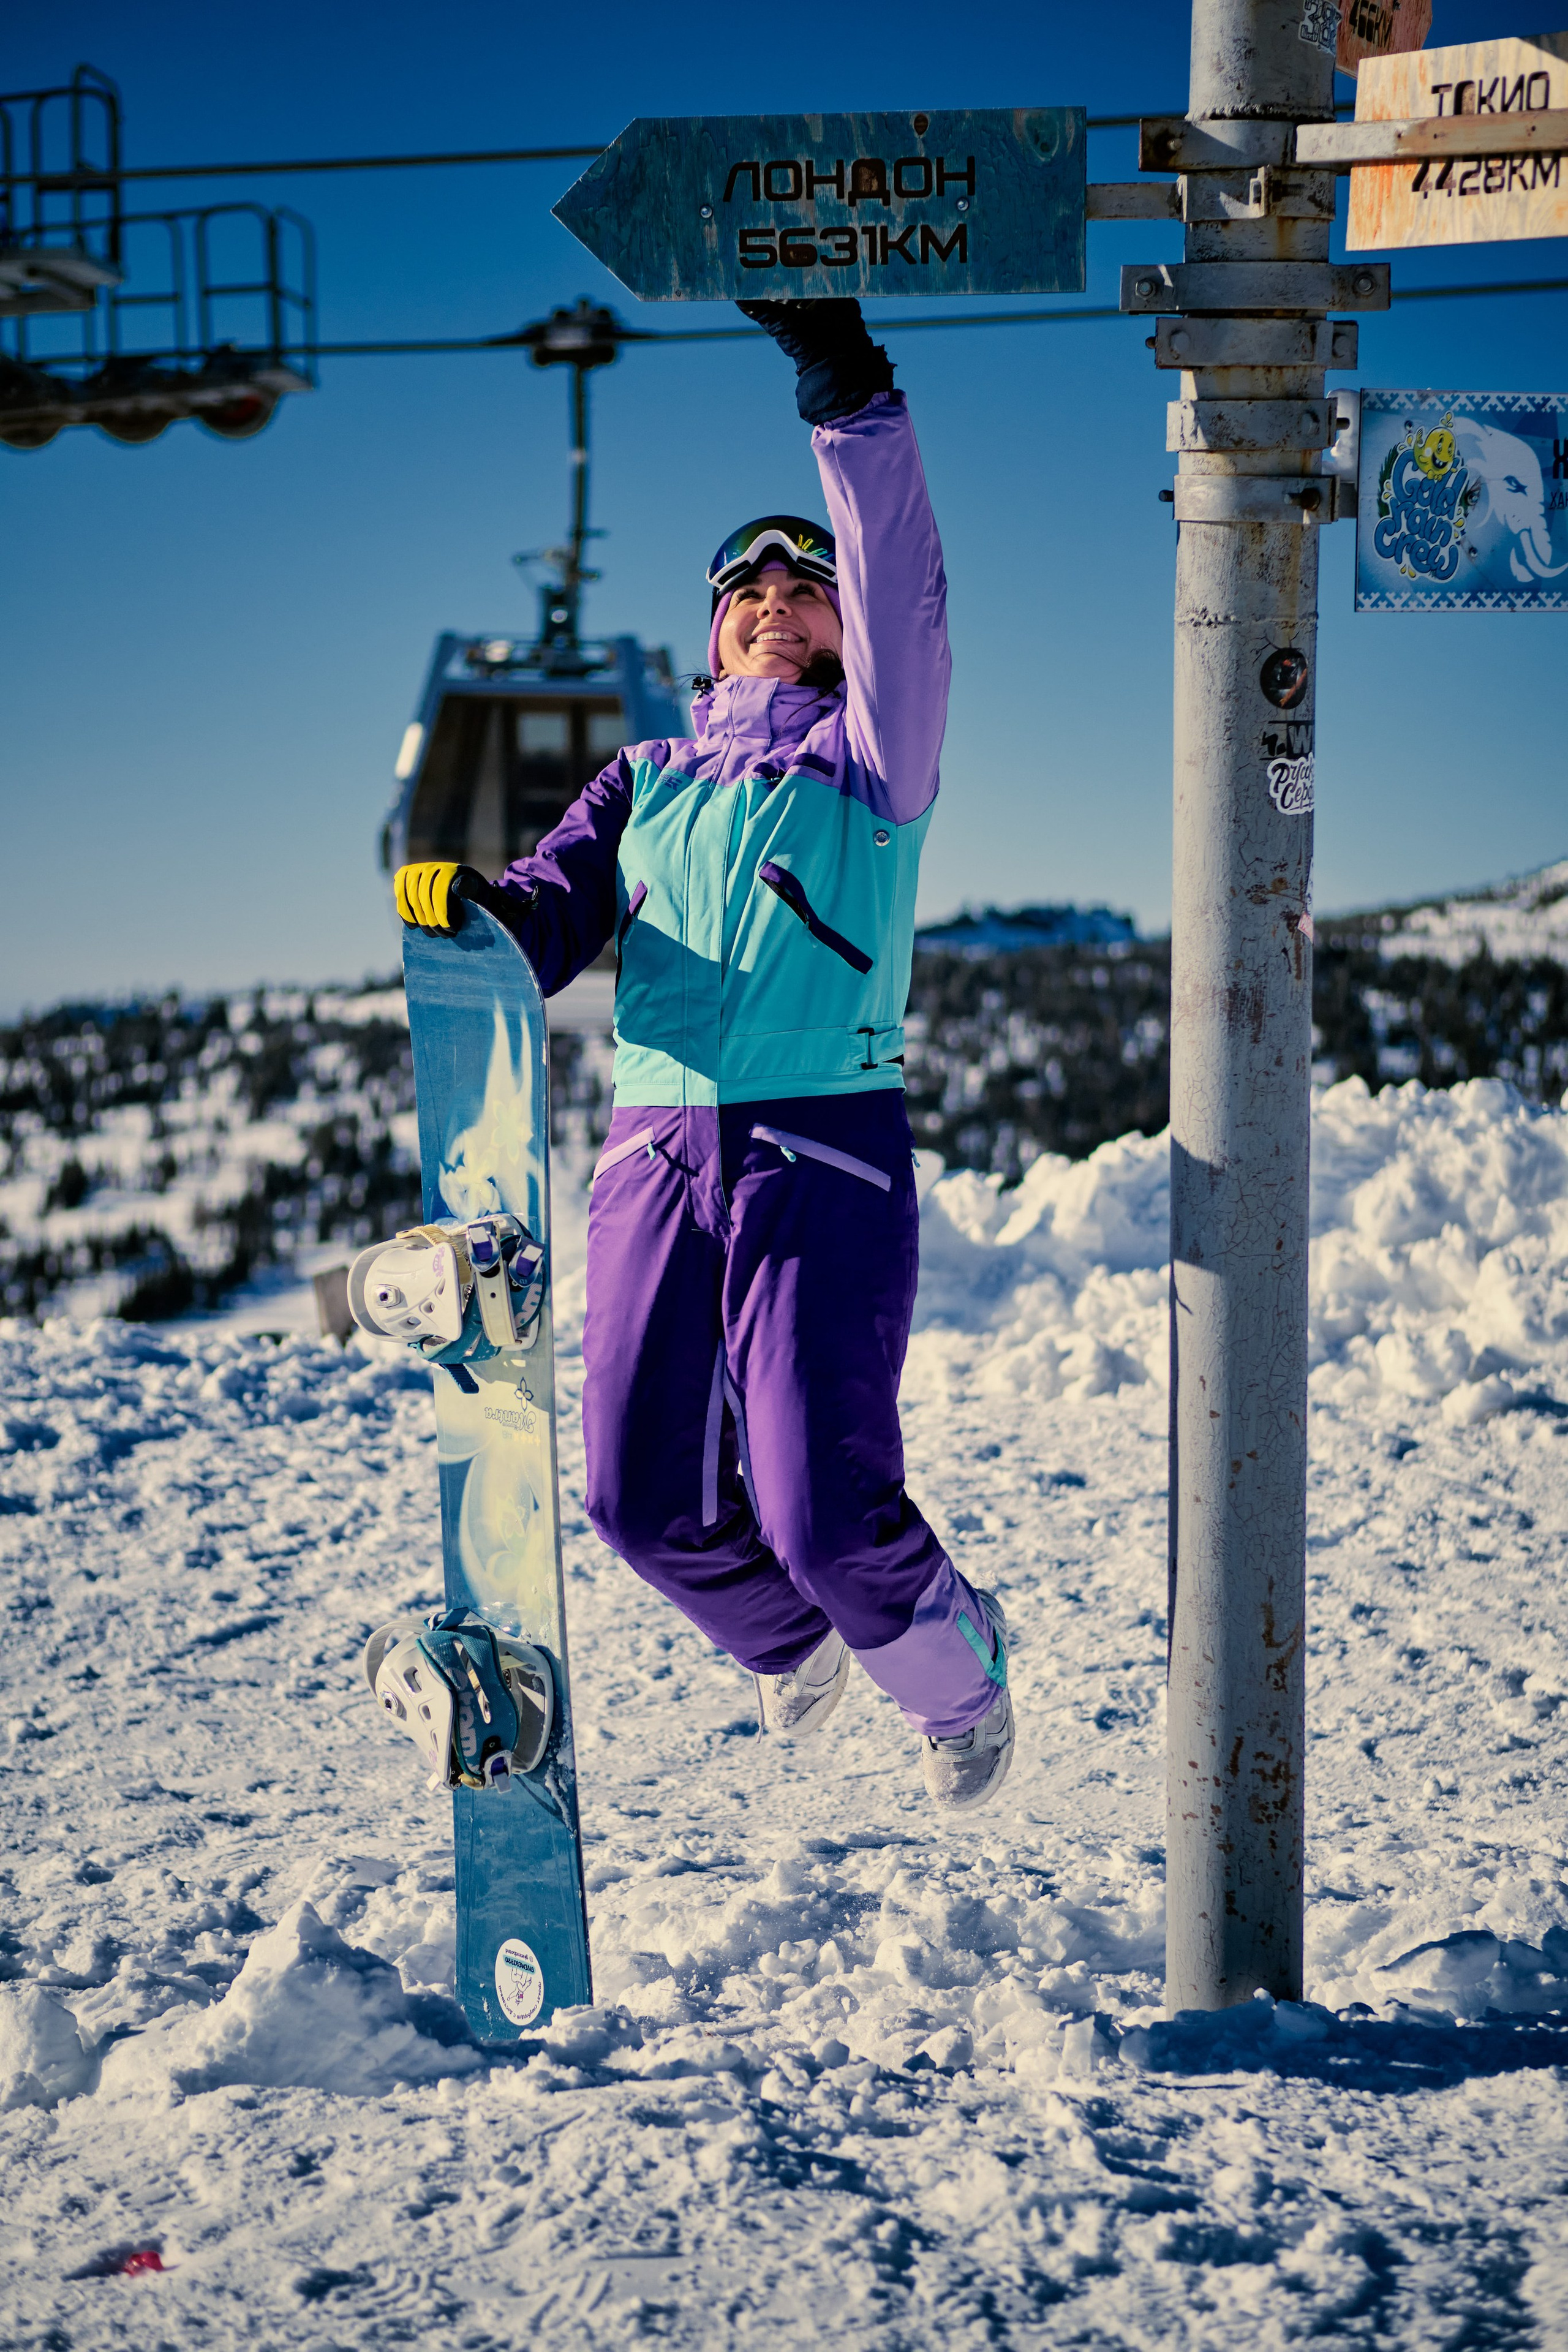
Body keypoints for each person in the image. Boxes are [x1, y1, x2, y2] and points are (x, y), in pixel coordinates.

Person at [394, 297, 1013, 1812]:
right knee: (632, 1495)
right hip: (655, 1154)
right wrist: (479, 927)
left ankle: (951, 1668)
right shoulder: (645, 781)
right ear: (714, 624)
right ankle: (789, 1644)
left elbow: (900, 586)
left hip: (825, 1147)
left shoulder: (876, 765)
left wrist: (845, 395)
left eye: (806, 588)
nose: (779, 600)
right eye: (750, 588)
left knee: (820, 1506)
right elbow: (554, 906)